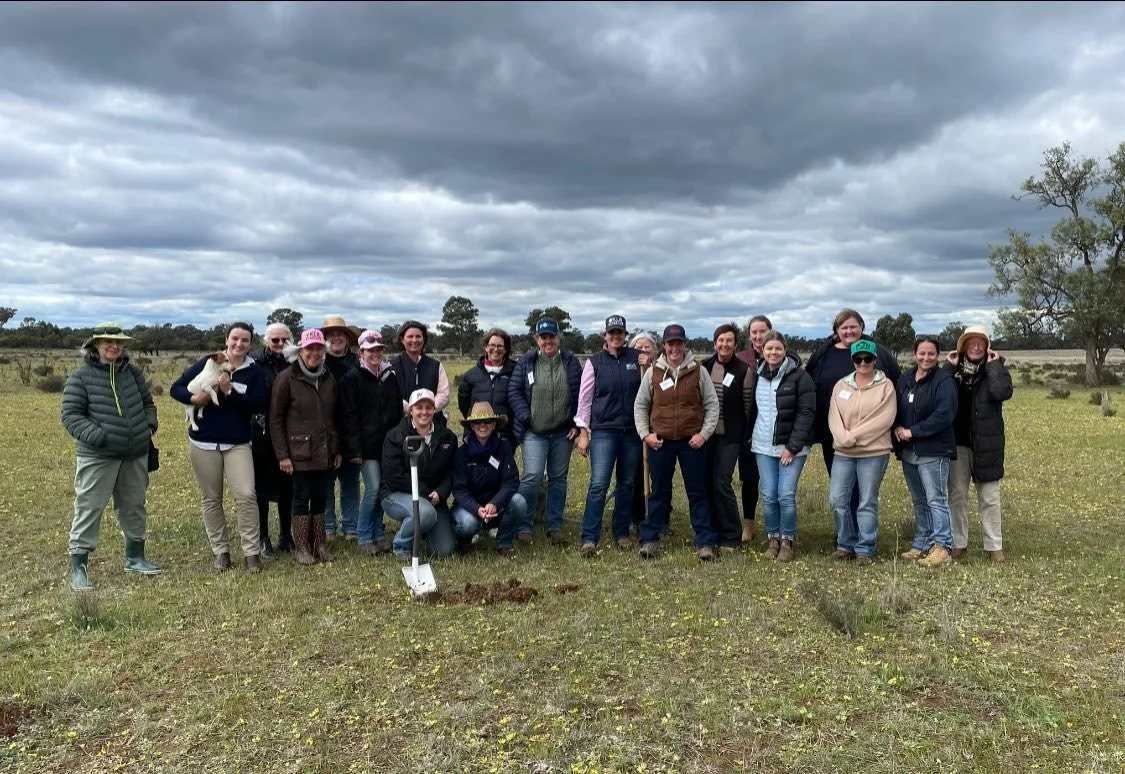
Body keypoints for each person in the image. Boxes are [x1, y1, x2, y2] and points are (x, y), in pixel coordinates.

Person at [62, 322, 161, 591]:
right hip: (98, 455)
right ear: (96, 344)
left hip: (135, 453)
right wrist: (100, 437)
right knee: (89, 507)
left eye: (118, 342)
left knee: (133, 506)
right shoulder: (80, 376)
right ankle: (79, 568)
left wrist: (148, 427)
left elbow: (148, 404)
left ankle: (135, 558)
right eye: (108, 342)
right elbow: (70, 416)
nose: (114, 346)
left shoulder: (132, 374)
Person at [171, 322, 270, 573]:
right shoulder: (208, 363)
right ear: (226, 340)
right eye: (234, 339)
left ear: (251, 344)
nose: (239, 344)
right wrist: (194, 399)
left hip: (237, 443)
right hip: (203, 442)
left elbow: (258, 404)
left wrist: (230, 392)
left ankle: (251, 554)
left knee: (246, 495)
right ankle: (221, 552)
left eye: (245, 340)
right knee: (211, 498)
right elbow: (176, 388)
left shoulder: (254, 372)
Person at [805, 309, 901, 548]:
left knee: (864, 493)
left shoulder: (879, 354)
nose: (848, 331)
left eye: (853, 326)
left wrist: (856, 435)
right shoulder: (823, 354)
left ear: (861, 326)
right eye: (843, 327)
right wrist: (839, 435)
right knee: (840, 492)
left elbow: (897, 389)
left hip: (871, 441)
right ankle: (844, 536)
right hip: (835, 437)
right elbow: (810, 383)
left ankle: (862, 538)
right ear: (837, 330)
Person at [633, 324, 720, 561]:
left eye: (679, 343)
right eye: (670, 343)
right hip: (661, 442)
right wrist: (646, 434)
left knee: (697, 492)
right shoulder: (653, 372)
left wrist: (704, 434)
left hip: (691, 442)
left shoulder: (698, 370)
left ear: (684, 344)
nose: (674, 348)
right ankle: (650, 539)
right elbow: (641, 405)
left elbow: (712, 405)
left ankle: (704, 541)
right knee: (659, 492)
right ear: (664, 346)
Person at [269, 329, 342, 565]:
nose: (314, 353)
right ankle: (301, 547)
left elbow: (335, 418)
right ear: (301, 350)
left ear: (324, 351)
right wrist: (283, 456)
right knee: (300, 497)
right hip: (298, 452)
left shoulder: (329, 378)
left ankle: (319, 544)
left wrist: (337, 449)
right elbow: (276, 420)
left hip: (324, 450)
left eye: (319, 348)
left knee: (321, 497)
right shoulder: (287, 378)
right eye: (309, 348)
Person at [942, 326, 1013, 564]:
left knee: (989, 497)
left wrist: (993, 366)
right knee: (957, 495)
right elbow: (939, 391)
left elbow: (1001, 392)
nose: (975, 347)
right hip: (959, 443)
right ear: (963, 346)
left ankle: (994, 547)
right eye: (970, 343)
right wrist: (949, 366)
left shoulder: (997, 369)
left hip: (987, 443)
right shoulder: (953, 371)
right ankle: (958, 543)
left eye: (980, 343)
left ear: (987, 346)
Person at [508, 317, 582, 545]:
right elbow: (514, 391)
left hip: (562, 433)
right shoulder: (527, 362)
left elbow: (581, 393)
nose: (548, 341)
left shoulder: (570, 362)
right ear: (537, 339)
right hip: (534, 432)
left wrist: (575, 423)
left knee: (558, 479)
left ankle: (555, 526)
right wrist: (526, 418)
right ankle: (524, 525)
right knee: (531, 477)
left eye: (552, 336)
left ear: (559, 338)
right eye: (543, 337)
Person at [575, 315, 643, 556]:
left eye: (620, 333)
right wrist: (584, 433)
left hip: (632, 432)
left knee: (627, 483)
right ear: (605, 335)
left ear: (625, 335)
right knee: (598, 484)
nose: (616, 337)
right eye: (611, 332)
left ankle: (621, 532)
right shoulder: (594, 363)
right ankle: (589, 536)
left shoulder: (637, 359)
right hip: (604, 431)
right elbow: (584, 401)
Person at [826, 340, 897, 565]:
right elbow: (833, 416)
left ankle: (865, 548)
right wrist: (843, 437)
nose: (863, 363)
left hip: (873, 452)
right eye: (858, 359)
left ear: (875, 360)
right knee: (837, 499)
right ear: (853, 361)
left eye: (867, 359)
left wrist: (852, 435)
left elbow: (884, 418)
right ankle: (845, 544)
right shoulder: (841, 386)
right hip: (843, 452)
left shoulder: (886, 386)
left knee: (866, 500)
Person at [751, 331, 816, 563]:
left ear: (785, 349)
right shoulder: (757, 375)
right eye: (769, 349)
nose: (773, 352)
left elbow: (806, 413)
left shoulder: (799, 377)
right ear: (762, 350)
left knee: (785, 495)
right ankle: (773, 539)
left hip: (791, 448)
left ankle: (787, 540)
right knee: (768, 495)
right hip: (762, 446)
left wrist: (792, 447)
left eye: (778, 348)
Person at [894, 335, 958, 568]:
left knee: (936, 499)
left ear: (938, 355)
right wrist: (899, 427)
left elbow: (944, 416)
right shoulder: (906, 379)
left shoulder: (944, 381)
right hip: (909, 451)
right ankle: (922, 543)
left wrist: (914, 431)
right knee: (919, 499)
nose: (926, 357)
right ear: (915, 354)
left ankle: (942, 546)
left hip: (933, 451)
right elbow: (896, 407)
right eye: (922, 353)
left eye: (931, 353)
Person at [339, 329, 403, 556]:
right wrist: (355, 448)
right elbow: (349, 416)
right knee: (373, 488)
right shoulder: (352, 378)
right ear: (361, 352)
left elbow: (396, 411)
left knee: (382, 490)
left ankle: (377, 532)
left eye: (378, 349)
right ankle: (364, 534)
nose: (375, 354)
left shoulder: (389, 376)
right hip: (366, 447)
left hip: (388, 445)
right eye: (370, 350)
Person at [381, 389, 458, 559]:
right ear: (411, 411)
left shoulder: (448, 437)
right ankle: (401, 546)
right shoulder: (395, 436)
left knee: (443, 551)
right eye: (419, 407)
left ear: (434, 409)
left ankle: (420, 528)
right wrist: (423, 493)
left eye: (428, 407)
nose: (424, 412)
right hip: (397, 493)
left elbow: (452, 471)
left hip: (434, 498)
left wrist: (441, 492)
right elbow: (394, 476)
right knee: (425, 514)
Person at [702, 322, 755, 553]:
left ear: (735, 344)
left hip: (730, 436)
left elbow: (747, 407)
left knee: (722, 482)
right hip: (705, 436)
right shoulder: (703, 367)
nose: (724, 344)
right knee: (707, 483)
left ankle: (732, 535)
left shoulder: (744, 370)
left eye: (729, 341)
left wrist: (742, 436)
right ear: (715, 343)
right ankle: (711, 532)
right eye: (721, 340)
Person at [451, 402, 527, 558]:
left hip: (495, 507)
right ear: (471, 426)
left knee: (519, 502)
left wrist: (494, 503)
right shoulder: (461, 453)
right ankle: (465, 543)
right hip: (469, 508)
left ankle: (504, 542)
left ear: (494, 425)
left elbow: (511, 481)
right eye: (477, 422)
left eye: (487, 421)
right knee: (467, 524)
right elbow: (459, 489)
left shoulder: (503, 448)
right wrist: (476, 508)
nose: (482, 425)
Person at [250, 322, 295, 557]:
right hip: (261, 433)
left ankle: (286, 536)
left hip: (291, 433)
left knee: (288, 487)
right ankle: (263, 538)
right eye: (275, 340)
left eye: (284, 340)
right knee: (262, 490)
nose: (279, 344)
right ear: (266, 341)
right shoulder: (255, 364)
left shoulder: (295, 362)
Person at [320, 315, 361, 539]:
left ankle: (351, 525)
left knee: (350, 480)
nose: (335, 338)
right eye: (331, 334)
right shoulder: (317, 362)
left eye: (340, 334)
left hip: (351, 430)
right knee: (326, 481)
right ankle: (327, 526)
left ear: (347, 338)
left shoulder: (357, 363)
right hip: (325, 430)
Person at [458, 328, 517, 448]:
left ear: (506, 349)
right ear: (485, 347)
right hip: (475, 436)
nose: (496, 349)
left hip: (505, 437)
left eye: (500, 346)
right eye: (492, 345)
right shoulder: (470, 375)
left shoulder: (515, 373)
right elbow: (464, 405)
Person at [629, 331, 661, 527]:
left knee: (658, 475)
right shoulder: (629, 369)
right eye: (638, 347)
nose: (643, 350)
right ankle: (636, 514)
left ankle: (659, 516)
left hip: (657, 428)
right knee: (635, 473)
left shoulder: (661, 369)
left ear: (655, 350)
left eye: (647, 346)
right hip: (635, 428)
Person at [392, 320, 451, 424]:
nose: (414, 340)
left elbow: (444, 394)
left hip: (434, 424)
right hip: (401, 424)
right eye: (410, 336)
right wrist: (412, 410)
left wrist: (427, 411)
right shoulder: (392, 366)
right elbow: (392, 395)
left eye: (418, 336)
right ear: (402, 339)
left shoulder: (436, 366)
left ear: (424, 339)